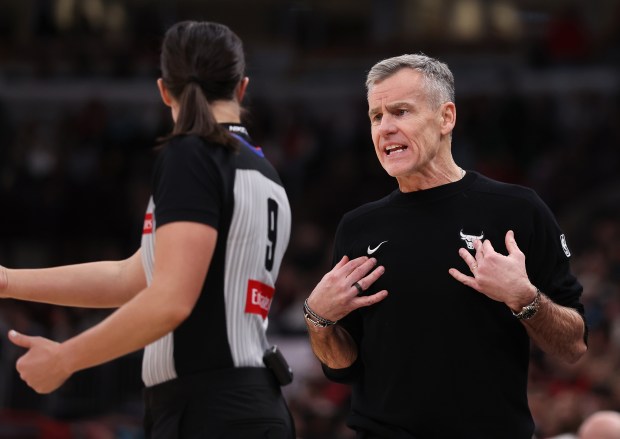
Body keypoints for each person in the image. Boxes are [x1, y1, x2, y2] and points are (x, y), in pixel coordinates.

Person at [1, 21, 295, 438]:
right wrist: (9, 280)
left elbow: (171, 299)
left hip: (207, 409)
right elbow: (135, 277)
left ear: (163, 90)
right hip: (248, 403)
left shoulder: (192, 154)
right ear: (241, 87)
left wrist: (66, 358)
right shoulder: (264, 172)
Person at [304, 53, 588, 439]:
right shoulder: (357, 227)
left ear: (446, 118)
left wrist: (524, 297)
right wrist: (319, 321)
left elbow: (573, 346)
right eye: (376, 116)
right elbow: (344, 366)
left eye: (400, 111)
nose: (384, 128)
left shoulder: (518, 210)